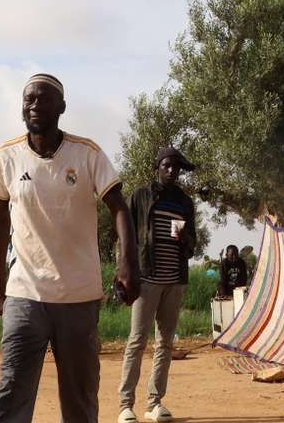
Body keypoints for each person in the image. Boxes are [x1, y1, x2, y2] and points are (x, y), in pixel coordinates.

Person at [0, 73, 139, 423]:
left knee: (80, 395)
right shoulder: (5, 157)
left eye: (44, 98)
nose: (35, 105)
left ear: (62, 107)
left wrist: (127, 263)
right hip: (25, 293)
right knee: (12, 390)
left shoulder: (87, 154)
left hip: (78, 297)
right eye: (29, 99)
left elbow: (120, 208)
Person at [118, 147, 200, 423]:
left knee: (165, 343)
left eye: (176, 168)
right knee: (137, 341)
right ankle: (125, 405)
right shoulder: (141, 196)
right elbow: (125, 234)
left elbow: (192, 242)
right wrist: (124, 272)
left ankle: (154, 403)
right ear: (157, 167)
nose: (172, 171)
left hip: (174, 280)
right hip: (146, 279)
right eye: (167, 166)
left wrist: (185, 239)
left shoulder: (184, 202)